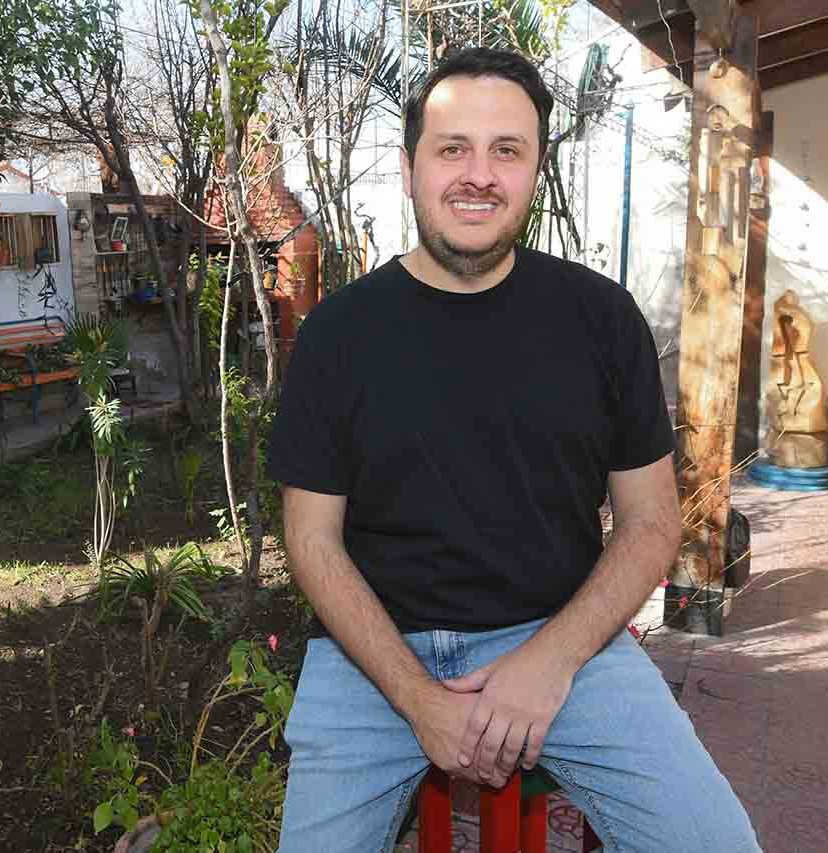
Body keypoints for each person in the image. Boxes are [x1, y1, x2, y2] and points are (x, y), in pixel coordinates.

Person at [268, 48, 761, 853]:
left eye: (507, 149)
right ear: (409, 166)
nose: (479, 174)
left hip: (561, 639)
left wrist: (550, 661)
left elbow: (650, 523)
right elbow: (311, 539)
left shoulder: (601, 319)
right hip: (372, 657)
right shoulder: (337, 336)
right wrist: (417, 698)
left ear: (536, 169)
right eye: (452, 147)